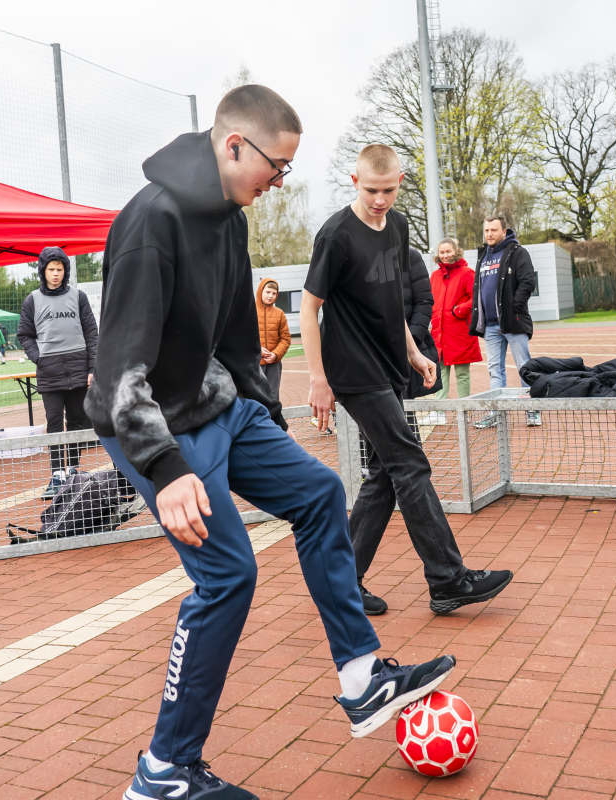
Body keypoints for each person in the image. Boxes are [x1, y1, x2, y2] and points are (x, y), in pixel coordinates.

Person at [86, 86, 456, 800]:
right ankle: (164, 772)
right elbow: (119, 369)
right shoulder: (151, 224)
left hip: (220, 409)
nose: (280, 180)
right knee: (227, 577)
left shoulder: (230, 217)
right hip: (156, 427)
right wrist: (164, 471)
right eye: (276, 166)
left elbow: (232, 337)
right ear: (234, 146)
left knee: (320, 493)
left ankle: (361, 681)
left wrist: (262, 416)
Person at [302, 143, 513, 620]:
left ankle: (343, 584)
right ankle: (447, 580)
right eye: (372, 190)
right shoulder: (335, 235)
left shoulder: (398, 227)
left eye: (389, 189)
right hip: (353, 371)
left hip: (389, 366)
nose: (380, 199)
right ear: (355, 182)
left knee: (384, 473)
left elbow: (389, 306)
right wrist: (318, 378)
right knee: (410, 465)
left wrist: (415, 353)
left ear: (400, 182)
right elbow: (309, 309)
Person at [18, 246, 98, 499]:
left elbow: (92, 333)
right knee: (54, 423)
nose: (56, 274)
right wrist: (38, 358)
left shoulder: (79, 296)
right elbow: (25, 335)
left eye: (60, 269)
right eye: (51, 269)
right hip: (49, 371)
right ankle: (56, 475)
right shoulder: (32, 299)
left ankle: (72, 471)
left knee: (76, 421)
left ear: (66, 271)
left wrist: (93, 367)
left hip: (78, 368)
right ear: (43, 271)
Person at [469, 215, 540, 427]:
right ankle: (496, 414)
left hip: (513, 322)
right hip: (490, 326)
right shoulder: (483, 256)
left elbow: (528, 282)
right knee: (495, 370)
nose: (489, 234)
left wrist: (514, 307)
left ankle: (532, 411)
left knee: (524, 367)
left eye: (493, 230)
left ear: (504, 231)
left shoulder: (518, 252)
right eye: (486, 230)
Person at [429, 238, 481, 422]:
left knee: (462, 372)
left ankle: (464, 410)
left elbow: (476, 297)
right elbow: (430, 301)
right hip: (439, 330)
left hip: (459, 330)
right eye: (442, 252)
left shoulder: (467, 272)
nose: (445, 256)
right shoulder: (435, 276)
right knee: (440, 370)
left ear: (456, 251)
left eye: (448, 252)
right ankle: (439, 412)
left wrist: (458, 311)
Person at [402, 247, 439, 428]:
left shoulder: (410, 256)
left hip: (402, 351)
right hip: (367, 352)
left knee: (404, 418)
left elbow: (424, 301)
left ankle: (411, 454)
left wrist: (412, 344)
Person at [256, 278, 290, 401]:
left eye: (274, 293)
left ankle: (272, 420)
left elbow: (285, 339)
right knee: (254, 398)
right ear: (261, 291)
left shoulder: (279, 314)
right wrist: (256, 350)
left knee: (272, 398)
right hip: (254, 364)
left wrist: (276, 354)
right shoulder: (249, 311)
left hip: (273, 365)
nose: (271, 296)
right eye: (268, 292)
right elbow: (240, 338)